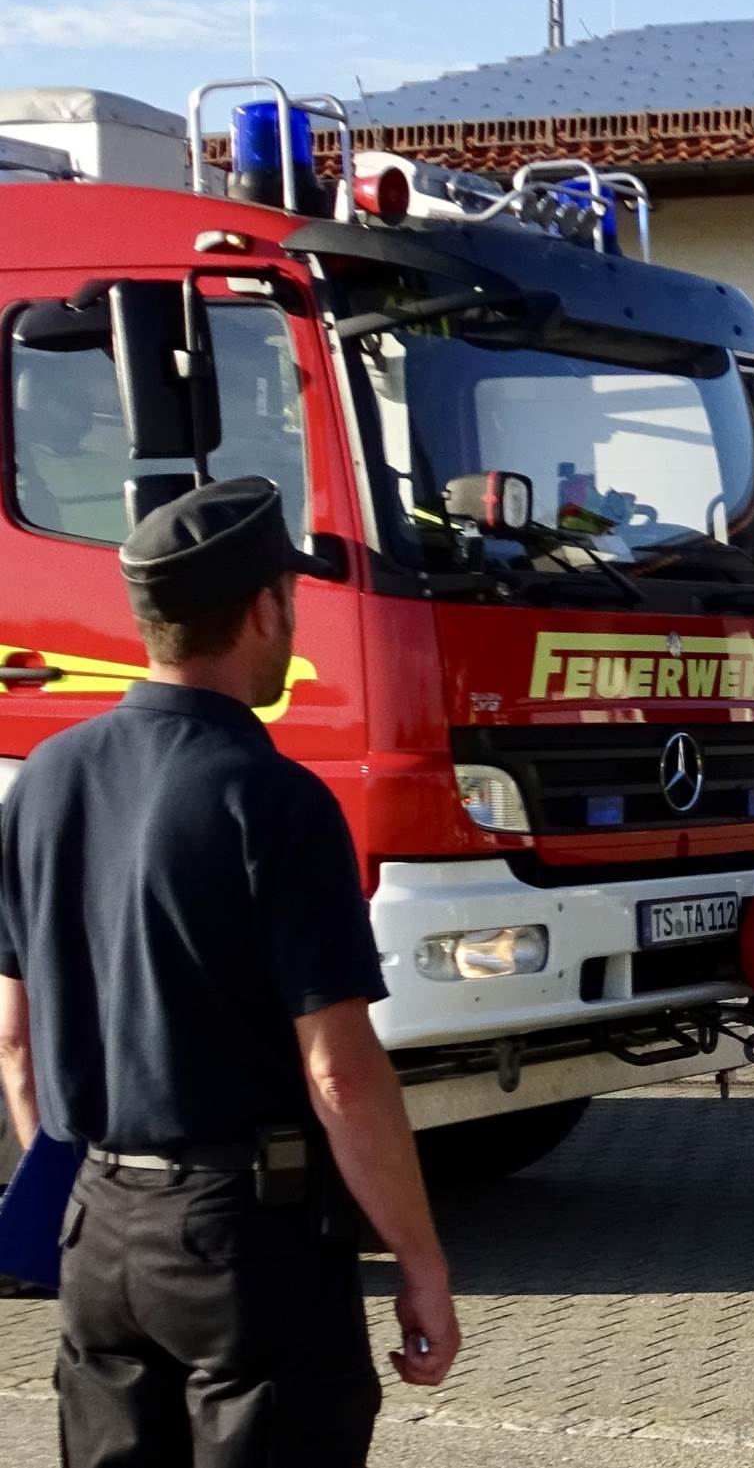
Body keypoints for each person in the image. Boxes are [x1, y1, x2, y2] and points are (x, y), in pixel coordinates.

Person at [0, 477, 459, 1467]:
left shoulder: (45, 777)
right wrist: (418, 1257)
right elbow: (339, 1071)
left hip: (96, 1230)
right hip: (243, 1246)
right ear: (265, 607)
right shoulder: (275, 799)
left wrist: (77, 1200)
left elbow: (15, 1039)